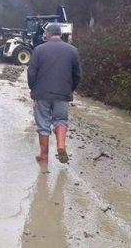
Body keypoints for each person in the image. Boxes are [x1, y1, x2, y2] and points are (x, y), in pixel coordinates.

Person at [27, 24, 82, 164]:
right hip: (63, 93)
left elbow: (31, 73)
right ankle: (61, 146)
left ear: (48, 34)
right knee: (61, 120)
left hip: (42, 93)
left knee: (43, 124)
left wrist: (33, 91)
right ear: (60, 34)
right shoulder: (73, 50)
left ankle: (44, 155)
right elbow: (77, 75)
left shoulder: (39, 50)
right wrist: (70, 89)